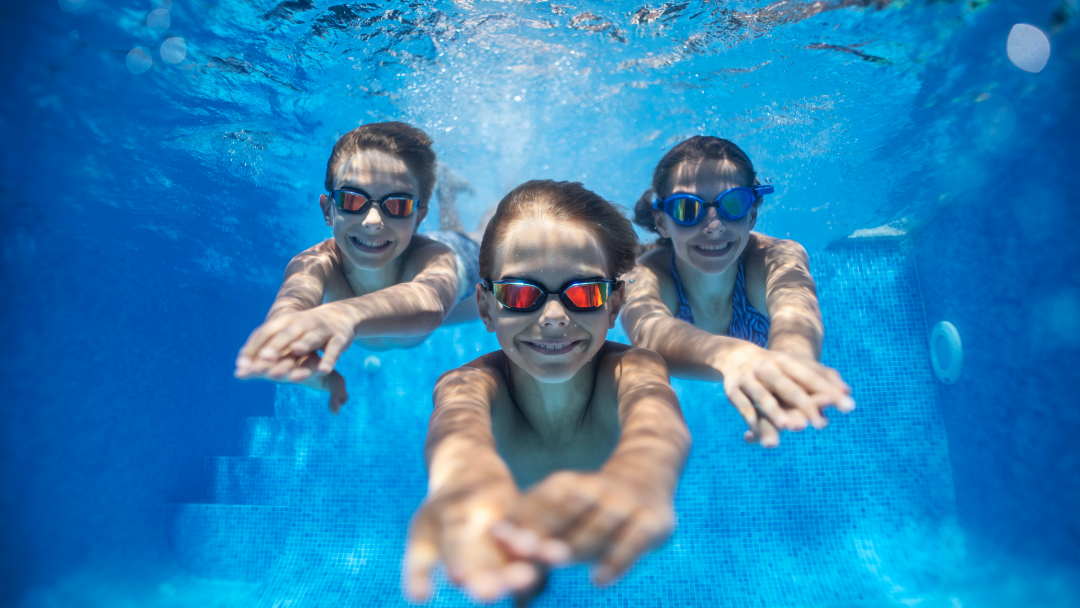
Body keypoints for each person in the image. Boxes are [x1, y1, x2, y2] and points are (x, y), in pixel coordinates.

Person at [404, 180, 691, 606]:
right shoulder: (469, 385)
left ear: (614, 306)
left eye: (585, 292)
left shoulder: (632, 368)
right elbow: (457, 430)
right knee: (466, 246)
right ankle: (451, 195)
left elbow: (657, 419)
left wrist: (643, 475)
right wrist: (461, 480)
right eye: (521, 294)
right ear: (486, 309)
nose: (555, 318)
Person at [621, 136, 855, 448]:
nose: (714, 225)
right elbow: (650, 333)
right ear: (662, 222)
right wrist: (734, 357)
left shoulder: (776, 257)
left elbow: (796, 307)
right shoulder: (645, 274)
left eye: (733, 204)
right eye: (687, 209)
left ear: (752, 215)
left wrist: (791, 364)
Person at [233, 122, 482, 413]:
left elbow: (429, 301)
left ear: (417, 218)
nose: (373, 220)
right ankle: (447, 189)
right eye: (352, 199)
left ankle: (450, 191)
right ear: (328, 210)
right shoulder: (315, 264)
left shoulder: (434, 258)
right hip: (406, 307)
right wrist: (288, 345)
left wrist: (347, 313)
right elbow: (291, 308)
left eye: (398, 205)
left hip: (464, 271)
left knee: (488, 234)